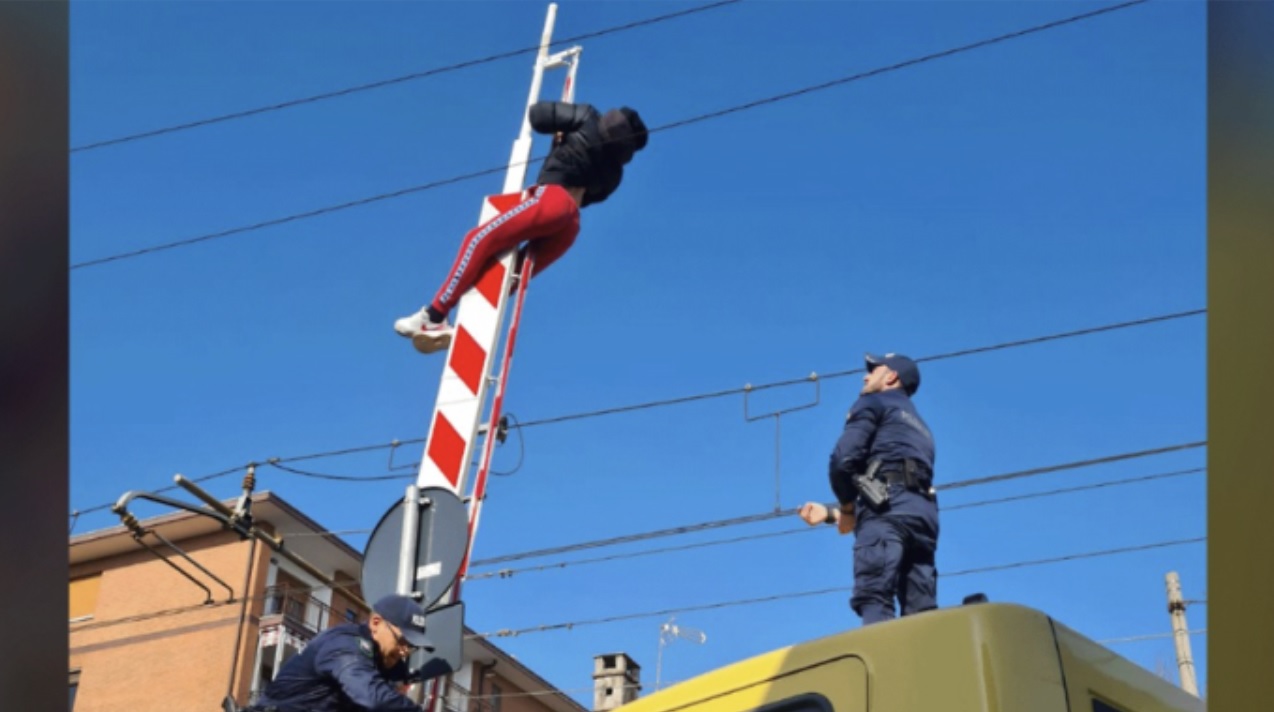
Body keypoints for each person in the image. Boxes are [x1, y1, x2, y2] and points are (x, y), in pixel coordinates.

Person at [394, 100, 649, 354]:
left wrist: (560, 132)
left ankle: (434, 315)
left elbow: (537, 116)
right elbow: (593, 198)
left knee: (479, 238)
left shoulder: (586, 116)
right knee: (510, 277)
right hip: (570, 225)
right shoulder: (615, 174)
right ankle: (466, 326)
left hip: (554, 200)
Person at [798, 353, 939, 625]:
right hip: (924, 518)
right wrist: (832, 514)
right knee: (921, 612)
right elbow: (895, 495)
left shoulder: (873, 403)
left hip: (889, 510)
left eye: (874, 371)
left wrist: (848, 508)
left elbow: (843, 461)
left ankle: (885, 667)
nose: (866, 376)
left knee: (874, 595)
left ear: (891, 377)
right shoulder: (922, 428)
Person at [245, 594, 437, 712]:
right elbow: (372, 697)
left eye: (411, 646)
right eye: (402, 640)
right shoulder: (345, 646)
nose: (405, 651)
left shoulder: (385, 662)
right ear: (376, 623)